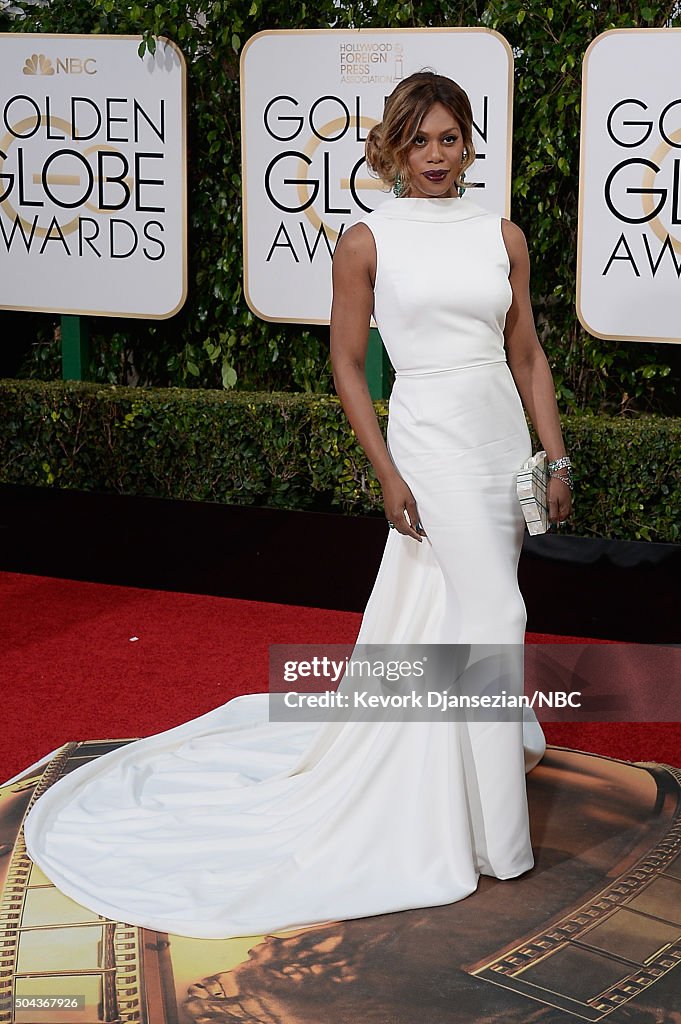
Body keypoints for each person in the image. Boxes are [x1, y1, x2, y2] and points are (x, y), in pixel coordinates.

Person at [22, 71, 571, 941]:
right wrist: (387, 471)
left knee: (456, 619)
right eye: (419, 140)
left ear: (471, 143)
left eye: (450, 137)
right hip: (429, 438)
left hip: (499, 439)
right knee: (496, 616)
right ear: (394, 148)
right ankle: (498, 840)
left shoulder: (501, 235)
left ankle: (457, 777)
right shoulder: (366, 241)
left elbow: (528, 352)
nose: (437, 155)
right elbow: (348, 365)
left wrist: (554, 453)